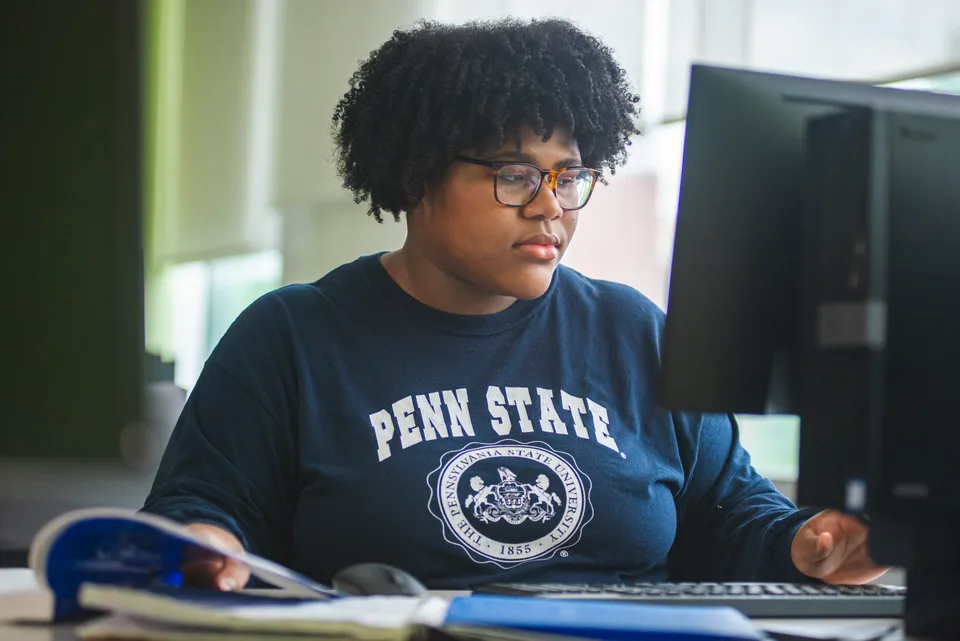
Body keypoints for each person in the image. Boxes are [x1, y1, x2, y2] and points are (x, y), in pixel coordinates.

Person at [142, 16, 888, 592]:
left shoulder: (634, 333)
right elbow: (198, 511)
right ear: (414, 174)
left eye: (568, 177)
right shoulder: (291, 337)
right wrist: (210, 545)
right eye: (513, 175)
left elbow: (730, 514)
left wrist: (810, 542)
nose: (550, 208)